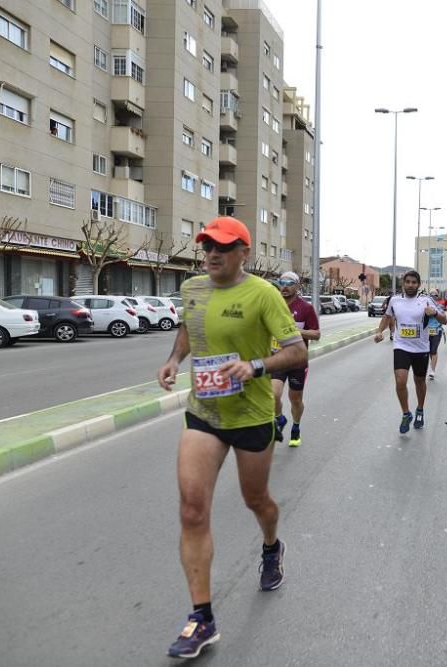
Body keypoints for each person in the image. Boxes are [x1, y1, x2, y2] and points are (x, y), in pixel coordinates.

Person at [156, 217, 306, 659]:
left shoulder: (263, 294)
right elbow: (189, 328)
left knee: (256, 501)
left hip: (251, 414)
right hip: (204, 411)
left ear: (244, 251)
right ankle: (201, 617)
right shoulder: (193, 289)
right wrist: (174, 359)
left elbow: (296, 350)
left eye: (222, 247)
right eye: (207, 247)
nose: (212, 254)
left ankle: (271, 546)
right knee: (191, 509)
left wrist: (256, 366)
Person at [373, 271, 446, 432]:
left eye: (414, 282)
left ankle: (420, 409)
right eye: (408, 282)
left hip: (421, 348)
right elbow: (387, 317)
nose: (410, 285)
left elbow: (444, 320)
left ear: (419, 284)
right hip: (401, 346)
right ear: (403, 284)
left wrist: (434, 313)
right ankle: (406, 413)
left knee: (419, 382)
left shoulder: (426, 300)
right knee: (400, 381)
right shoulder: (395, 300)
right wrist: (379, 331)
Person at [270, 271, 320, 448]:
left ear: (298, 286)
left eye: (289, 283)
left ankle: (296, 427)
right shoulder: (272, 306)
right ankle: (279, 418)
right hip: (277, 358)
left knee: (295, 399)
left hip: (297, 361)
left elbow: (316, 334)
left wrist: (296, 332)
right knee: (273, 394)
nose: (284, 286)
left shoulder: (306, 308)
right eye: (281, 282)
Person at [426, 288, 445, 380]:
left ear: (438, 296)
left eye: (435, 295)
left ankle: (432, 370)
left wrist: (435, 312)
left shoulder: (440, 306)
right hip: (426, 331)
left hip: (437, 330)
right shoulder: (425, 305)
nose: (433, 296)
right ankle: (431, 365)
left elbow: (443, 318)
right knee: (428, 351)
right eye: (431, 294)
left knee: (433, 350)